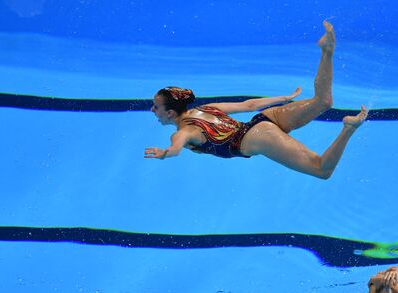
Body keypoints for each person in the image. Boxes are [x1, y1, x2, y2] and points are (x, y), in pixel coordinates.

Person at [144, 20, 367, 179]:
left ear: (170, 112)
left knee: (321, 170)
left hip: (258, 137)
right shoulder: (206, 108)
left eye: (156, 107)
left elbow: (175, 148)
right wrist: (283, 98)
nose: (153, 110)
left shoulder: (183, 131)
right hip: (263, 119)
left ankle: (348, 128)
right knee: (323, 101)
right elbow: (248, 105)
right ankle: (326, 52)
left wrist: (164, 153)